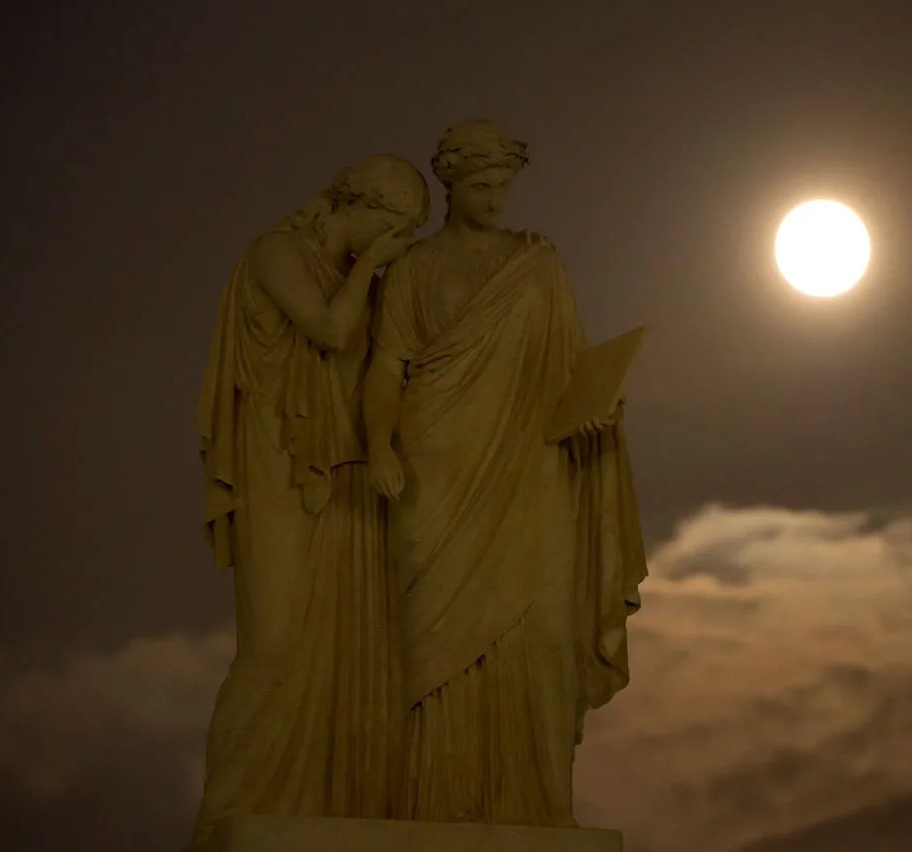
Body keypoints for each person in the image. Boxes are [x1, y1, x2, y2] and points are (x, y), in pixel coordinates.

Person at [364, 121, 647, 827]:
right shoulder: (413, 270)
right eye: (480, 187)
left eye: (502, 186)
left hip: (530, 471)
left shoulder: (539, 266)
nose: (494, 199)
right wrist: (378, 444)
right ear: (451, 186)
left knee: (540, 635)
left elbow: (570, 371)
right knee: (432, 649)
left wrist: (594, 412)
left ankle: (536, 806)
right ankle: (436, 809)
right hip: (437, 471)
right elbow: (385, 368)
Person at [191, 154, 428, 848]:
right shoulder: (277, 252)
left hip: (349, 475)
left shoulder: (369, 281)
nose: (398, 247)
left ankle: (326, 799)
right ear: (370, 211)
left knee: (346, 647)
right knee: (272, 643)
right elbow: (328, 330)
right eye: (399, 230)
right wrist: (372, 265)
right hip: (280, 467)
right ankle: (222, 814)